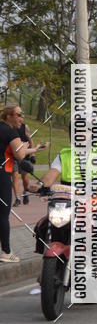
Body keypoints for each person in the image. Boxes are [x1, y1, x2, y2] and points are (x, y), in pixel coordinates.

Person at [39, 125, 97, 286]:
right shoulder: (64, 154)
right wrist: (40, 185)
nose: (80, 134)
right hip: (68, 202)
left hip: (94, 202)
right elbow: (51, 175)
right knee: (43, 225)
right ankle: (49, 267)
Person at [0, 105, 46, 262]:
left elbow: (16, 151)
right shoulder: (11, 132)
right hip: (2, 176)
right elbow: (19, 155)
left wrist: (35, 149)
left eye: (23, 115)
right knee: (3, 215)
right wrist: (28, 147)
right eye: (19, 114)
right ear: (8, 116)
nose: (22, 118)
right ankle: (6, 252)